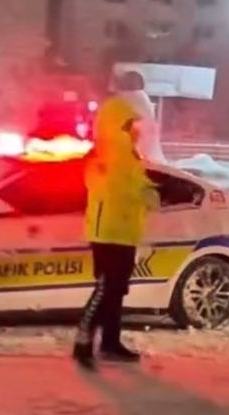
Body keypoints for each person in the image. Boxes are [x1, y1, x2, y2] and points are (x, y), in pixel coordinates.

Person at [72, 91, 160, 370]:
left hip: (124, 233)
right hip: (108, 234)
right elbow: (121, 189)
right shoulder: (107, 156)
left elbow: (135, 186)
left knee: (117, 290)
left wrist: (148, 191)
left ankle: (110, 342)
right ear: (116, 126)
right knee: (104, 290)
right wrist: (148, 193)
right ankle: (83, 344)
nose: (136, 130)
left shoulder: (126, 156)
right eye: (130, 124)